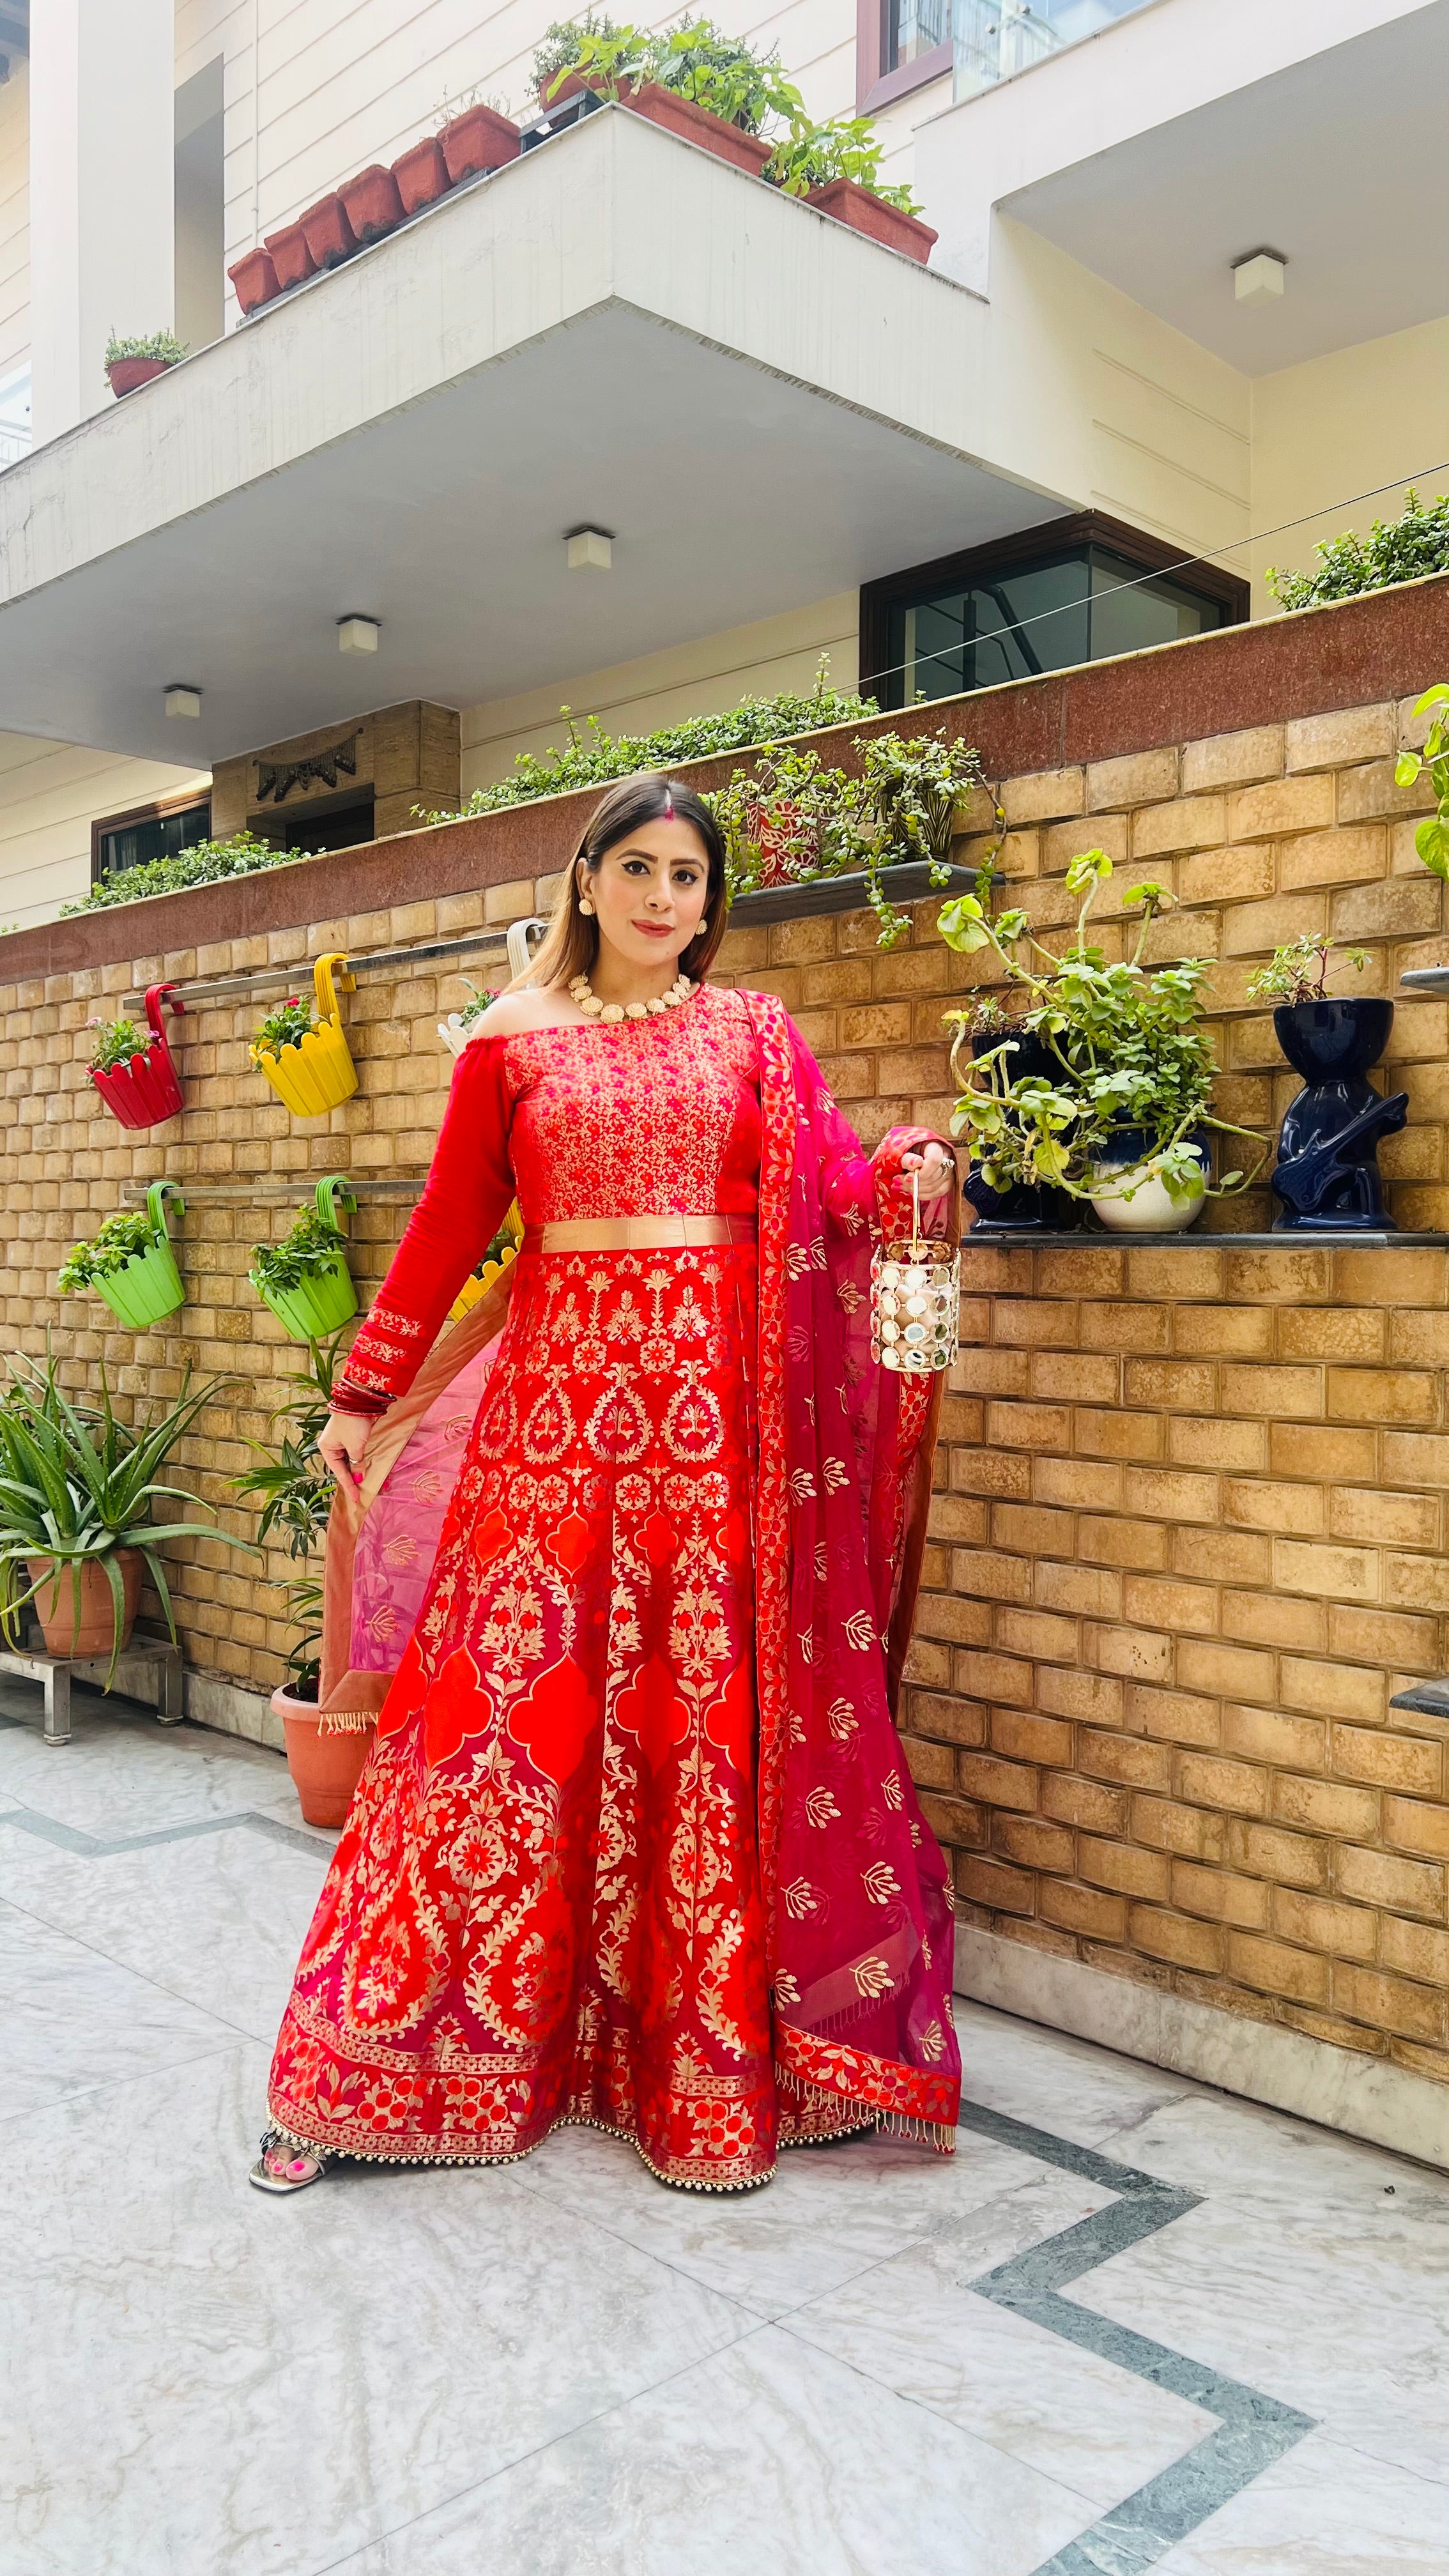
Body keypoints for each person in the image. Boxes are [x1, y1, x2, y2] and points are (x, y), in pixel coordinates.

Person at [252, 772, 962, 2196]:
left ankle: (698, 2065)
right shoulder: (510, 1043)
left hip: (715, 1444)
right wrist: (362, 1391)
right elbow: (453, 1225)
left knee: (698, 1726)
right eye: (636, 869)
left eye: (688, 878)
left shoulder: (753, 1033)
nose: (661, 899)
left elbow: (831, 1198)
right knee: (493, 1725)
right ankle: (369, 2066)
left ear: (710, 903)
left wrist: (909, 1169)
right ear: (586, 880)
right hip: (557, 1430)